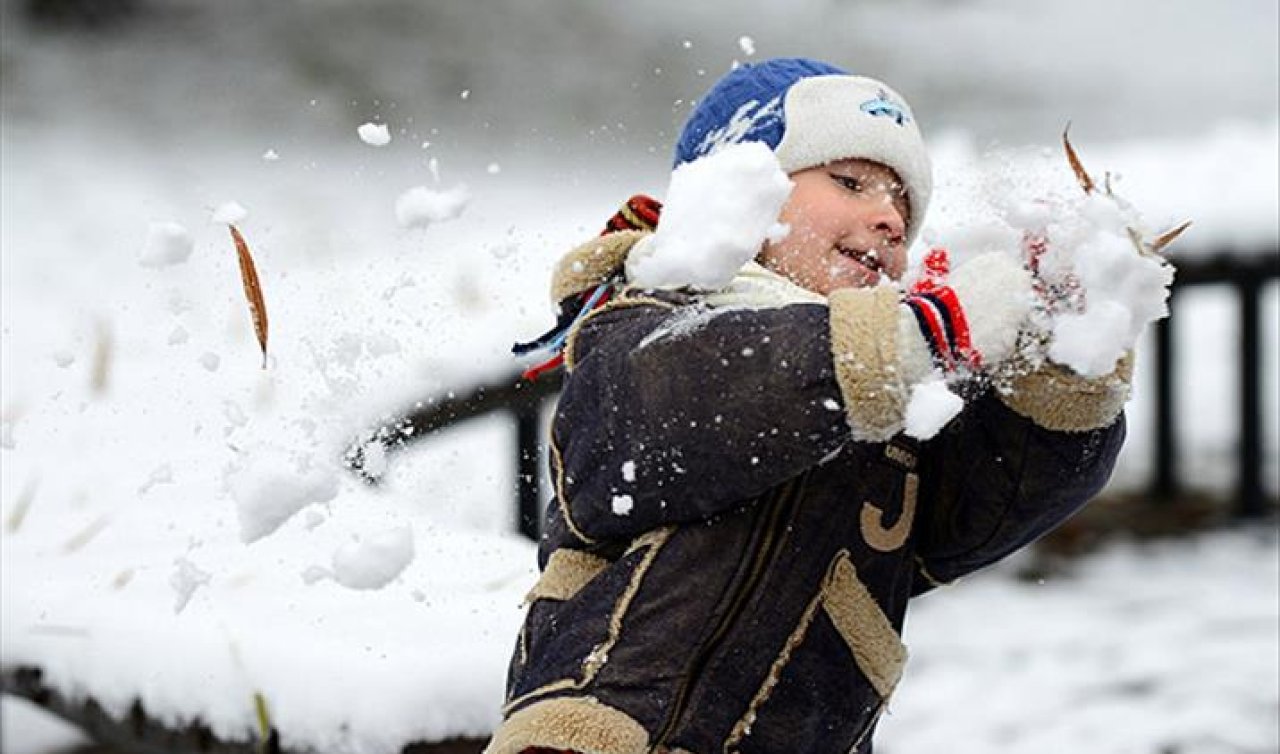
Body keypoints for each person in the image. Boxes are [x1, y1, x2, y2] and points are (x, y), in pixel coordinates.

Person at [487, 57, 1135, 754]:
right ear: (739, 196)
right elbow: (722, 392)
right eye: (850, 182)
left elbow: (998, 494)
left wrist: (1067, 362)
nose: (888, 218)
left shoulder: (887, 408)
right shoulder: (642, 324)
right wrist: (922, 336)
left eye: (903, 207)